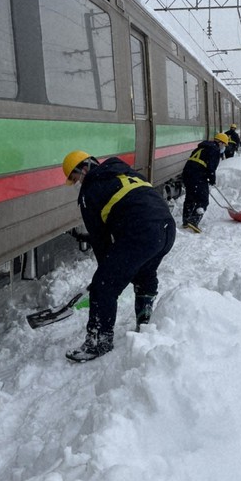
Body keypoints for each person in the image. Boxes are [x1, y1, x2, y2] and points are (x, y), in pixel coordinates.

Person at [62, 151, 176, 362]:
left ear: (84, 168)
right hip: (166, 229)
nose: (77, 183)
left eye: (75, 178)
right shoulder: (123, 172)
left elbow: (100, 240)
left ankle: (98, 342)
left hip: (142, 232)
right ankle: (145, 322)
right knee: (145, 272)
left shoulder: (90, 191)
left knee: (104, 286)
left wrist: (104, 275)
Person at [181, 133, 228, 232]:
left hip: (187, 174)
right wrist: (212, 180)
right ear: (219, 142)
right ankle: (193, 221)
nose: (224, 147)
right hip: (198, 175)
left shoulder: (201, 147)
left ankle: (186, 221)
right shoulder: (215, 150)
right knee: (203, 200)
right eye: (224, 144)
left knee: (190, 197)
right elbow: (211, 168)